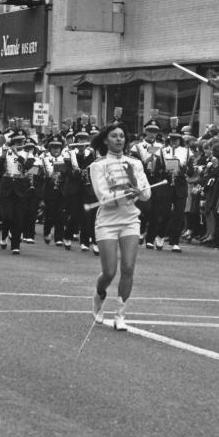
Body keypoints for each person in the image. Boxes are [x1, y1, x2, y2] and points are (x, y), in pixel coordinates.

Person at [89, 124, 151, 331]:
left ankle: (120, 315)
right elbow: (103, 198)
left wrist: (138, 191)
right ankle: (99, 295)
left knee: (128, 268)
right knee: (109, 272)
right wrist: (125, 193)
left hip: (130, 219)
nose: (119, 139)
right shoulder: (98, 165)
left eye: (122, 136)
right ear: (105, 140)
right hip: (107, 220)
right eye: (114, 136)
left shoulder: (134, 163)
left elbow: (147, 193)